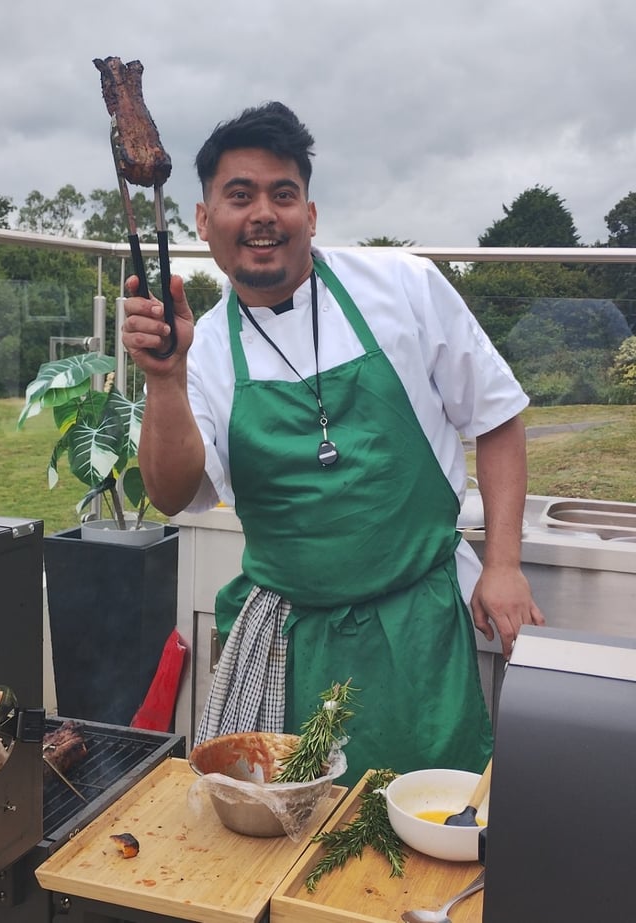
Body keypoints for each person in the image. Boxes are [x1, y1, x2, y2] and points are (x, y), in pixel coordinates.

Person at [122, 101, 544, 786]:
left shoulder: (401, 287)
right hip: (286, 644)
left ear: (309, 216)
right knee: (288, 835)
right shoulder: (199, 356)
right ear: (204, 222)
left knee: (431, 825)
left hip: (419, 627)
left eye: (282, 194)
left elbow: (497, 416)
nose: (263, 213)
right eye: (239, 195)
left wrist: (503, 563)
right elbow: (172, 493)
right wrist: (165, 381)